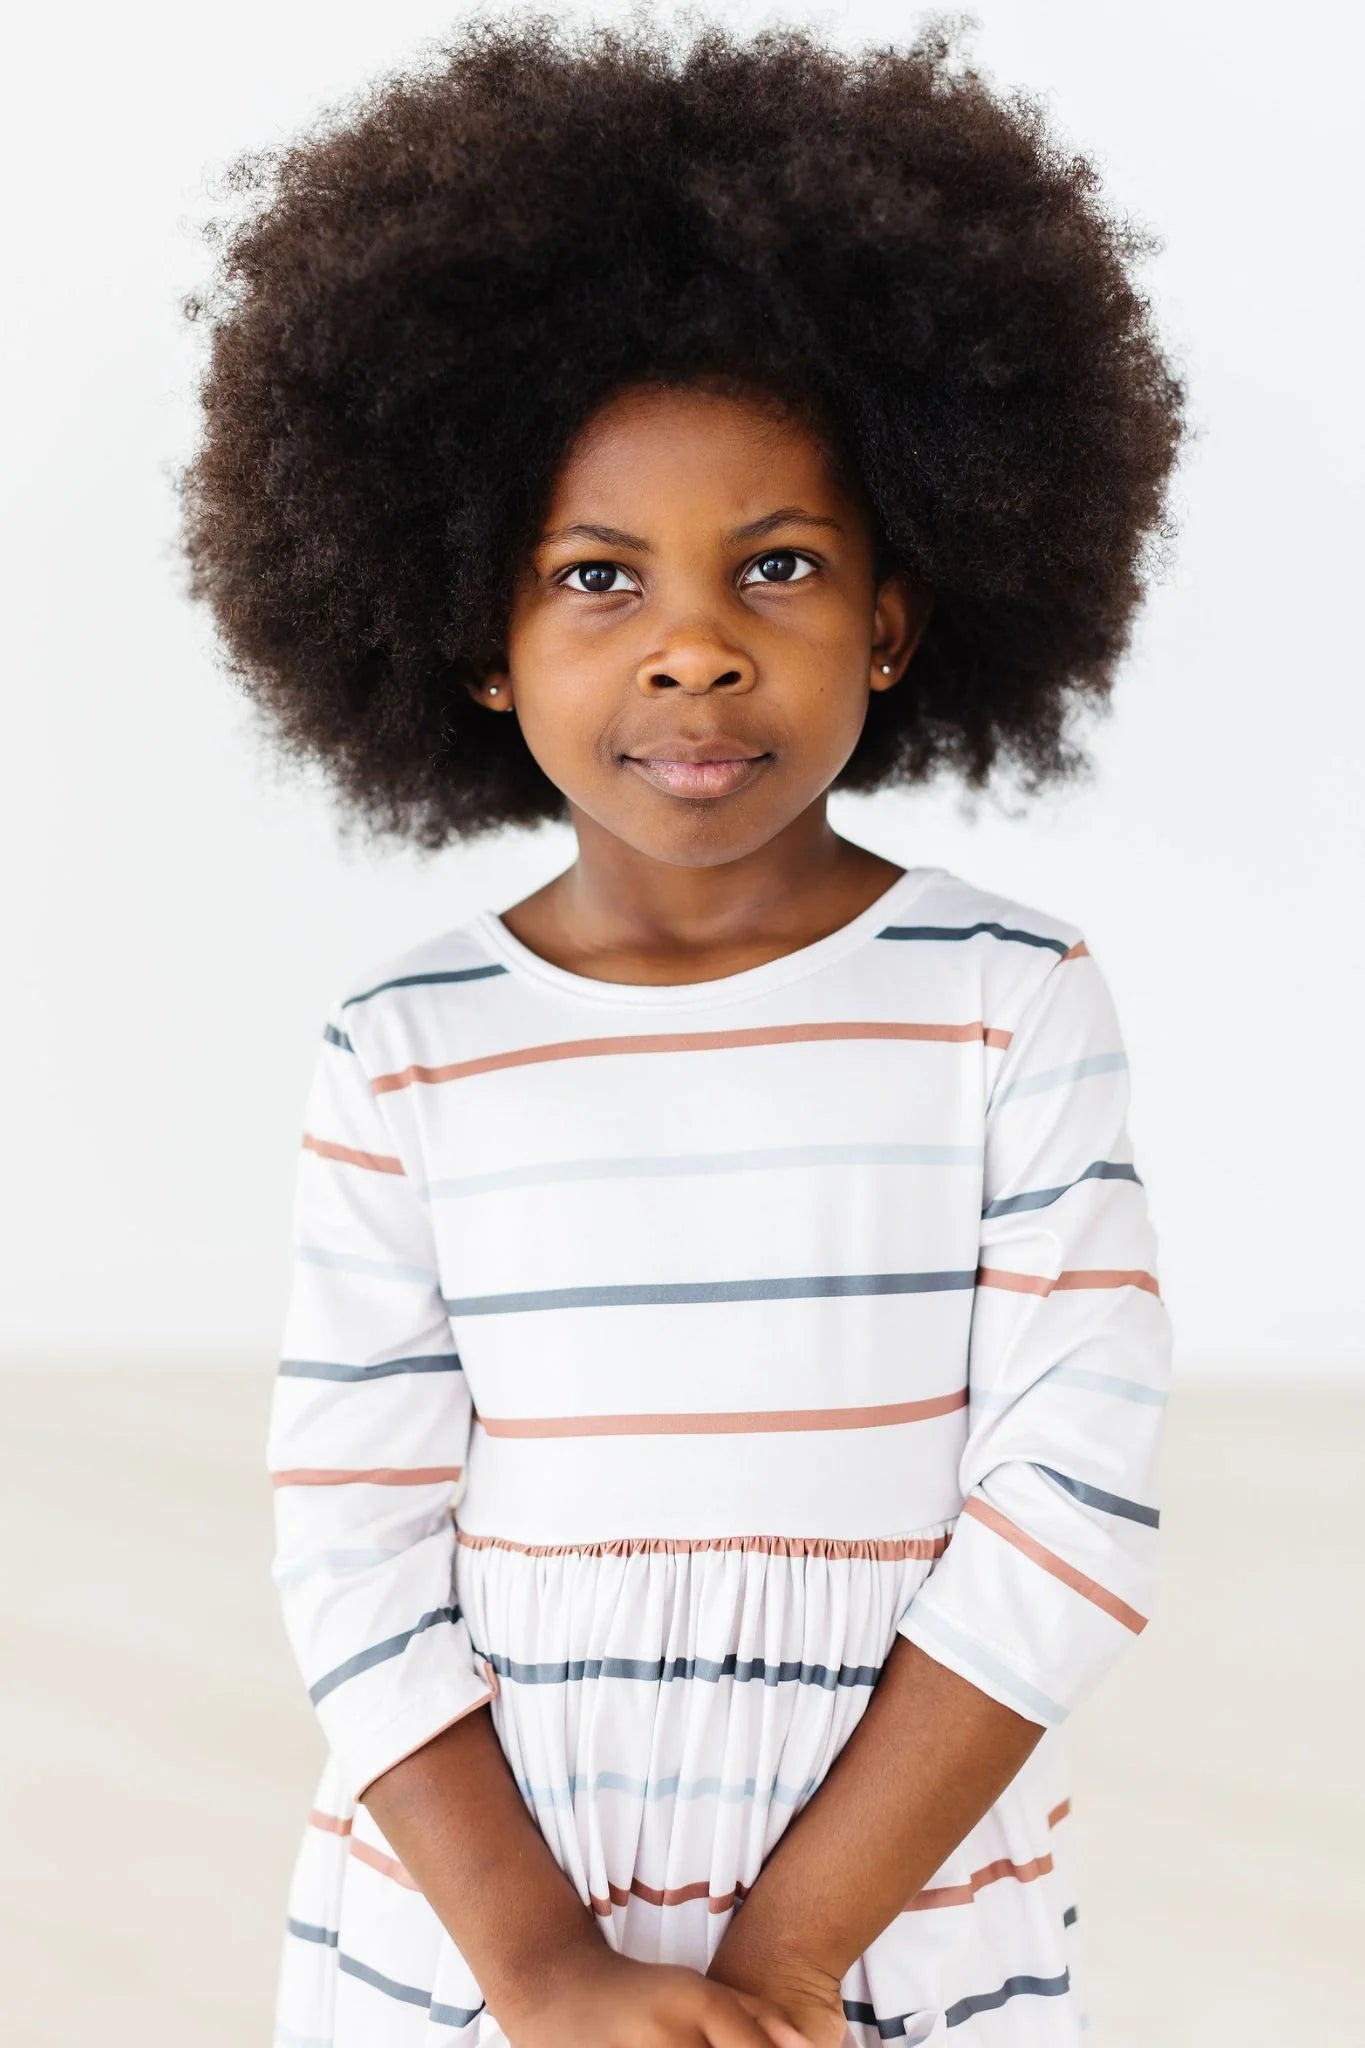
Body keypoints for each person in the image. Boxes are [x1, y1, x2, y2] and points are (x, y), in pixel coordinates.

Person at [176, 12, 1183, 2044]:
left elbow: (1070, 1492)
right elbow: (355, 1541)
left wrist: (795, 1942)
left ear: (891, 618)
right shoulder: (405, 1050)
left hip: (888, 1894)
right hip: (482, 1922)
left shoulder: (1004, 1002)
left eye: (777, 566)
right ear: (476, 635)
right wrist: (540, 1968)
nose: (696, 647)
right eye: (597, 578)